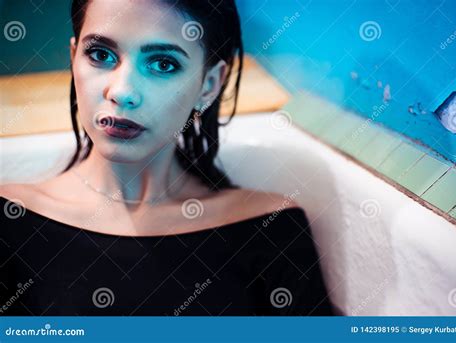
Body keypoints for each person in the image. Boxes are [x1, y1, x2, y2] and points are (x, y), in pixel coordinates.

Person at [0, 0, 335, 316]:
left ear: (209, 84)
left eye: (163, 64)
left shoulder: (270, 230)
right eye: (100, 54)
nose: (122, 92)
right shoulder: (10, 222)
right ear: (74, 58)